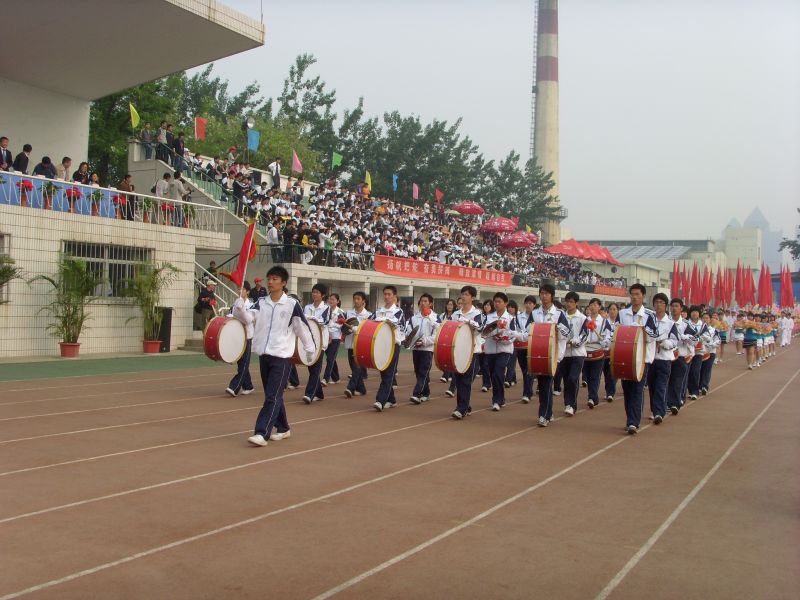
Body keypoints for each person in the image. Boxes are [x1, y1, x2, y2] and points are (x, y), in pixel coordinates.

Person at [233, 266, 315, 446]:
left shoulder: (291, 304)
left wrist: (310, 348)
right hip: (264, 354)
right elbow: (248, 319)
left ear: (283, 282)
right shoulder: (261, 302)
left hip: (282, 356)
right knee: (273, 395)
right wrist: (240, 308)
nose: (270, 282)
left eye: (275, 279)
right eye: (269, 278)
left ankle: (262, 433)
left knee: (272, 396)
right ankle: (283, 428)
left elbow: (301, 327)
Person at [618, 283, 661, 434]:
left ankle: (633, 422)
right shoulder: (623, 313)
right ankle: (630, 418)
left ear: (643, 296)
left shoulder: (650, 315)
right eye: (632, 294)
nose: (634, 297)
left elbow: (655, 335)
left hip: (642, 358)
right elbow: (615, 331)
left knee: (637, 389)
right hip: (624, 356)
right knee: (627, 389)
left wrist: (641, 330)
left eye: (637, 294)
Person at [530, 284, 571, 427]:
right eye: (542, 293)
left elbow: (567, 333)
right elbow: (528, 331)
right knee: (542, 385)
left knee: (547, 383)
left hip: (553, 355)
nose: (544, 296)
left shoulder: (559, 314)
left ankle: (544, 415)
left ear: (552, 296)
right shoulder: (535, 313)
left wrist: (557, 328)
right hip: (537, 353)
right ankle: (548, 412)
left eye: (547, 293)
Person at [483, 292, 521, 412]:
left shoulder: (510, 318)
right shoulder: (489, 317)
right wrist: (490, 334)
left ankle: (497, 400)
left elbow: (514, 334)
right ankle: (501, 397)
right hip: (490, 350)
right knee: (493, 375)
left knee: (498, 373)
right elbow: (484, 331)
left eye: (499, 301)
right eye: (495, 301)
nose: (497, 304)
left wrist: (504, 339)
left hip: (504, 350)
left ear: (505, 303)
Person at [451, 286, 485, 419]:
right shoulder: (455, 314)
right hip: (457, 350)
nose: (463, 297)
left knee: (466, 380)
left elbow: (480, 328)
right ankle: (464, 406)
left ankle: (461, 408)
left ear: (473, 297)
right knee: (458, 380)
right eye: (462, 294)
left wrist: (467, 322)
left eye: (466, 294)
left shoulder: (477, 314)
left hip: (471, 350)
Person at [371, 285, 406, 411]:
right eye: (385, 294)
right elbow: (369, 323)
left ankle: (380, 400)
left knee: (389, 373)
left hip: (393, 345)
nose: (386, 297)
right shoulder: (378, 311)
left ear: (394, 296)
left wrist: (383, 321)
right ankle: (391, 399)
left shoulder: (399, 312)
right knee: (383, 371)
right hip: (380, 345)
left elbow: (396, 325)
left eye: (389, 294)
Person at [646, 293, 678, 424]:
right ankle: (656, 410)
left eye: (661, 302)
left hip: (664, 359)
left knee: (661, 386)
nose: (658, 305)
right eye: (656, 302)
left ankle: (659, 412)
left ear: (666, 305)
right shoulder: (649, 320)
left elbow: (674, 341)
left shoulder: (670, 323)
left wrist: (664, 343)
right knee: (652, 387)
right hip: (650, 358)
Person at [560, 291, 589, 416]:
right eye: (567, 301)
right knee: (566, 379)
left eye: (571, 302)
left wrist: (574, 342)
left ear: (576, 303)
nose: (569, 304)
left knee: (573, 378)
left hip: (578, 353)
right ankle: (567, 404)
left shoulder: (582, 318)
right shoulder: (562, 317)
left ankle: (572, 405)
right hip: (564, 353)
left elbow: (584, 335)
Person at [408, 293, 439, 404]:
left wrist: (424, 341)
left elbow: (437, 335)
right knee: (418, 372)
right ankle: (426, 393)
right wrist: (412, 340)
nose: (423, 303)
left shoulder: (435, 318)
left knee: (423, 372)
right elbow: (409, 331)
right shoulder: (414, 317)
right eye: (421, 301)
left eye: (425, 301)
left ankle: (416, 394)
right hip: (416, 348)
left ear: (430, 303)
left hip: (427, 350)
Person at [302, 283, 330, 404]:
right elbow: (303, 321)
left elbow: (324, 321)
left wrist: (311, 319)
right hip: (309, 341)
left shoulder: (326, 308)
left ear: (322, 295)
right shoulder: (307, 307)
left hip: (320, 342)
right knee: (311, 367)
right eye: (313, 292)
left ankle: (309, 394)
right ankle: (319, 393)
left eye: (317, 292)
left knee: (316, 369)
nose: (314, 294)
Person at [225, 296, 255, 397]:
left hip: (247, 336)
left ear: (247, 292)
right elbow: (230, 316)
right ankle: (248, 386)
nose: (240, 291)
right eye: (239, 289)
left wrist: (241, 310)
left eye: (242, 289)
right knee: (241, 362)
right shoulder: (235, 304)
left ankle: (234, 387)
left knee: (244, 362)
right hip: (238, 335)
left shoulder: (251, 305)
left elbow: (248, 320)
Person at [343, 291, 371, 398]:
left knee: (357, 367)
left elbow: (367, 330)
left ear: (363, 301)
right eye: (354, 298)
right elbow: (344, 326)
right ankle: (361, 389)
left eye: (358, 299)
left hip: (361, 345)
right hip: (350, 343)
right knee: (353, 367)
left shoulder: (368, 315)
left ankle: (350, 388)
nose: (356, 301)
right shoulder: (348, 313)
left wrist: (354, 329)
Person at [581, 298, 607, 409]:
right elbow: (581, 334)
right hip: (585, 350)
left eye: (595, 305)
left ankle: (592, 397)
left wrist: (603, 341)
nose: (593, 306)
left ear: (599, 307)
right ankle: (592, 397)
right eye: (591, 304)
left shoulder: (604, 322)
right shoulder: (584, 320)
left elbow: (607, 337)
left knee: (595, 376)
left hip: (598, 350)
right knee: (587, 375)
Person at [685, 305, 711, 399]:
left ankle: (695, 392)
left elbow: (708, 337)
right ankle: (689, 390)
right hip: (688, 351)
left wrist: (702, 337)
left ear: (699, 314)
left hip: (698, 352)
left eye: (696, 312)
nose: (694, 313)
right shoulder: (686, 323)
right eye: (693, 311)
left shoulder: (703, 325)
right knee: (687, 372)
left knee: (695, 371)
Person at [323, 293, 345, 385]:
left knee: (330, 358)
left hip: (335, 337)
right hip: (326, 337)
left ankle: (325, 379)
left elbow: (343, 324)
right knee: (331, 358)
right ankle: (336, 378)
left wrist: (332, 325)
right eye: (330, 299)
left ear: (337, 301)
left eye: (333, 299)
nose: (330, 301)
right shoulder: (326, 310)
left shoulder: (340, 312)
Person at [698, 311, 721, 395]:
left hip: (710, 352)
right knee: (699, 369)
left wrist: (710, 344)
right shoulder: (698, 329)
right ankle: (698, 386)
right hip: (700, 352)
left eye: (707, 318)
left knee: (707, 369)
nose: (705, 319)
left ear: (710, 319)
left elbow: (718, 341)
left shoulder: (714, 330)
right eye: (703, 318)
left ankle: (704, 386)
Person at [438, 299, 457, 384]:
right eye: (448, 304)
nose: (449, 306)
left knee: (451, 356)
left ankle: (446, 375)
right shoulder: (442, 315)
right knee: (444, 357)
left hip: (452, 338)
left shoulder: (456, 315)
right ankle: (448, 374)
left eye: (451, 305)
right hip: (443, 338)